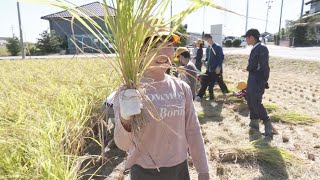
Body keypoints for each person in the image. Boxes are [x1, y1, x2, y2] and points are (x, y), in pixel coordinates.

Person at [112, 27, 209, 180]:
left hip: (179, 169)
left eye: (169, 46)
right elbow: (123, 145)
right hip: (145, 171)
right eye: (155, 47)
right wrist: (125, 120)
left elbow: (193, 130)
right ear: (141, 53)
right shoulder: (130, 91)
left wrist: (203, 169)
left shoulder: (181, 87)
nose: (164, 52)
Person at [243, 28, 272, 141]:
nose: (246, 39)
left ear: (251, 37)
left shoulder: (262, 48)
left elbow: (265, 67)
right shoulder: (255, 48)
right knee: (250, 99)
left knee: (256, 101)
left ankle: (267, 122)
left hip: (258, 79)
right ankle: (254, 124)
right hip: (252, 78)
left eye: (246, 37)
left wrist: (264, 81)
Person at [195, 34, 222, 100]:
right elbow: (208, 58)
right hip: (209, 69)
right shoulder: (208, 48)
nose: (205, 42)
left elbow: (220, 57)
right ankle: (199, 96)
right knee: (204, 81)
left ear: (209, 39)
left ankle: (211, 97)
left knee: (211, 85)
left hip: (215, 69)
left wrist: (219, 66)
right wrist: (204, 60)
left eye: (205, 40)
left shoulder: (217, 47)